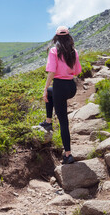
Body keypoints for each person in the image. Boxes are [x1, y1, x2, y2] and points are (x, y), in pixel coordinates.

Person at [39, 26, 82, 165]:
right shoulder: (73, 51)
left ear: (56, 37)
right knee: (52, 94)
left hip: (59, 86)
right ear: (69, 37)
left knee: (63, 121)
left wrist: (45, 88)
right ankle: (48, 121)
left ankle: (68, 154)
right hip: (71, 87)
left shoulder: (54, 51)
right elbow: (77, 71)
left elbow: (51, 72)